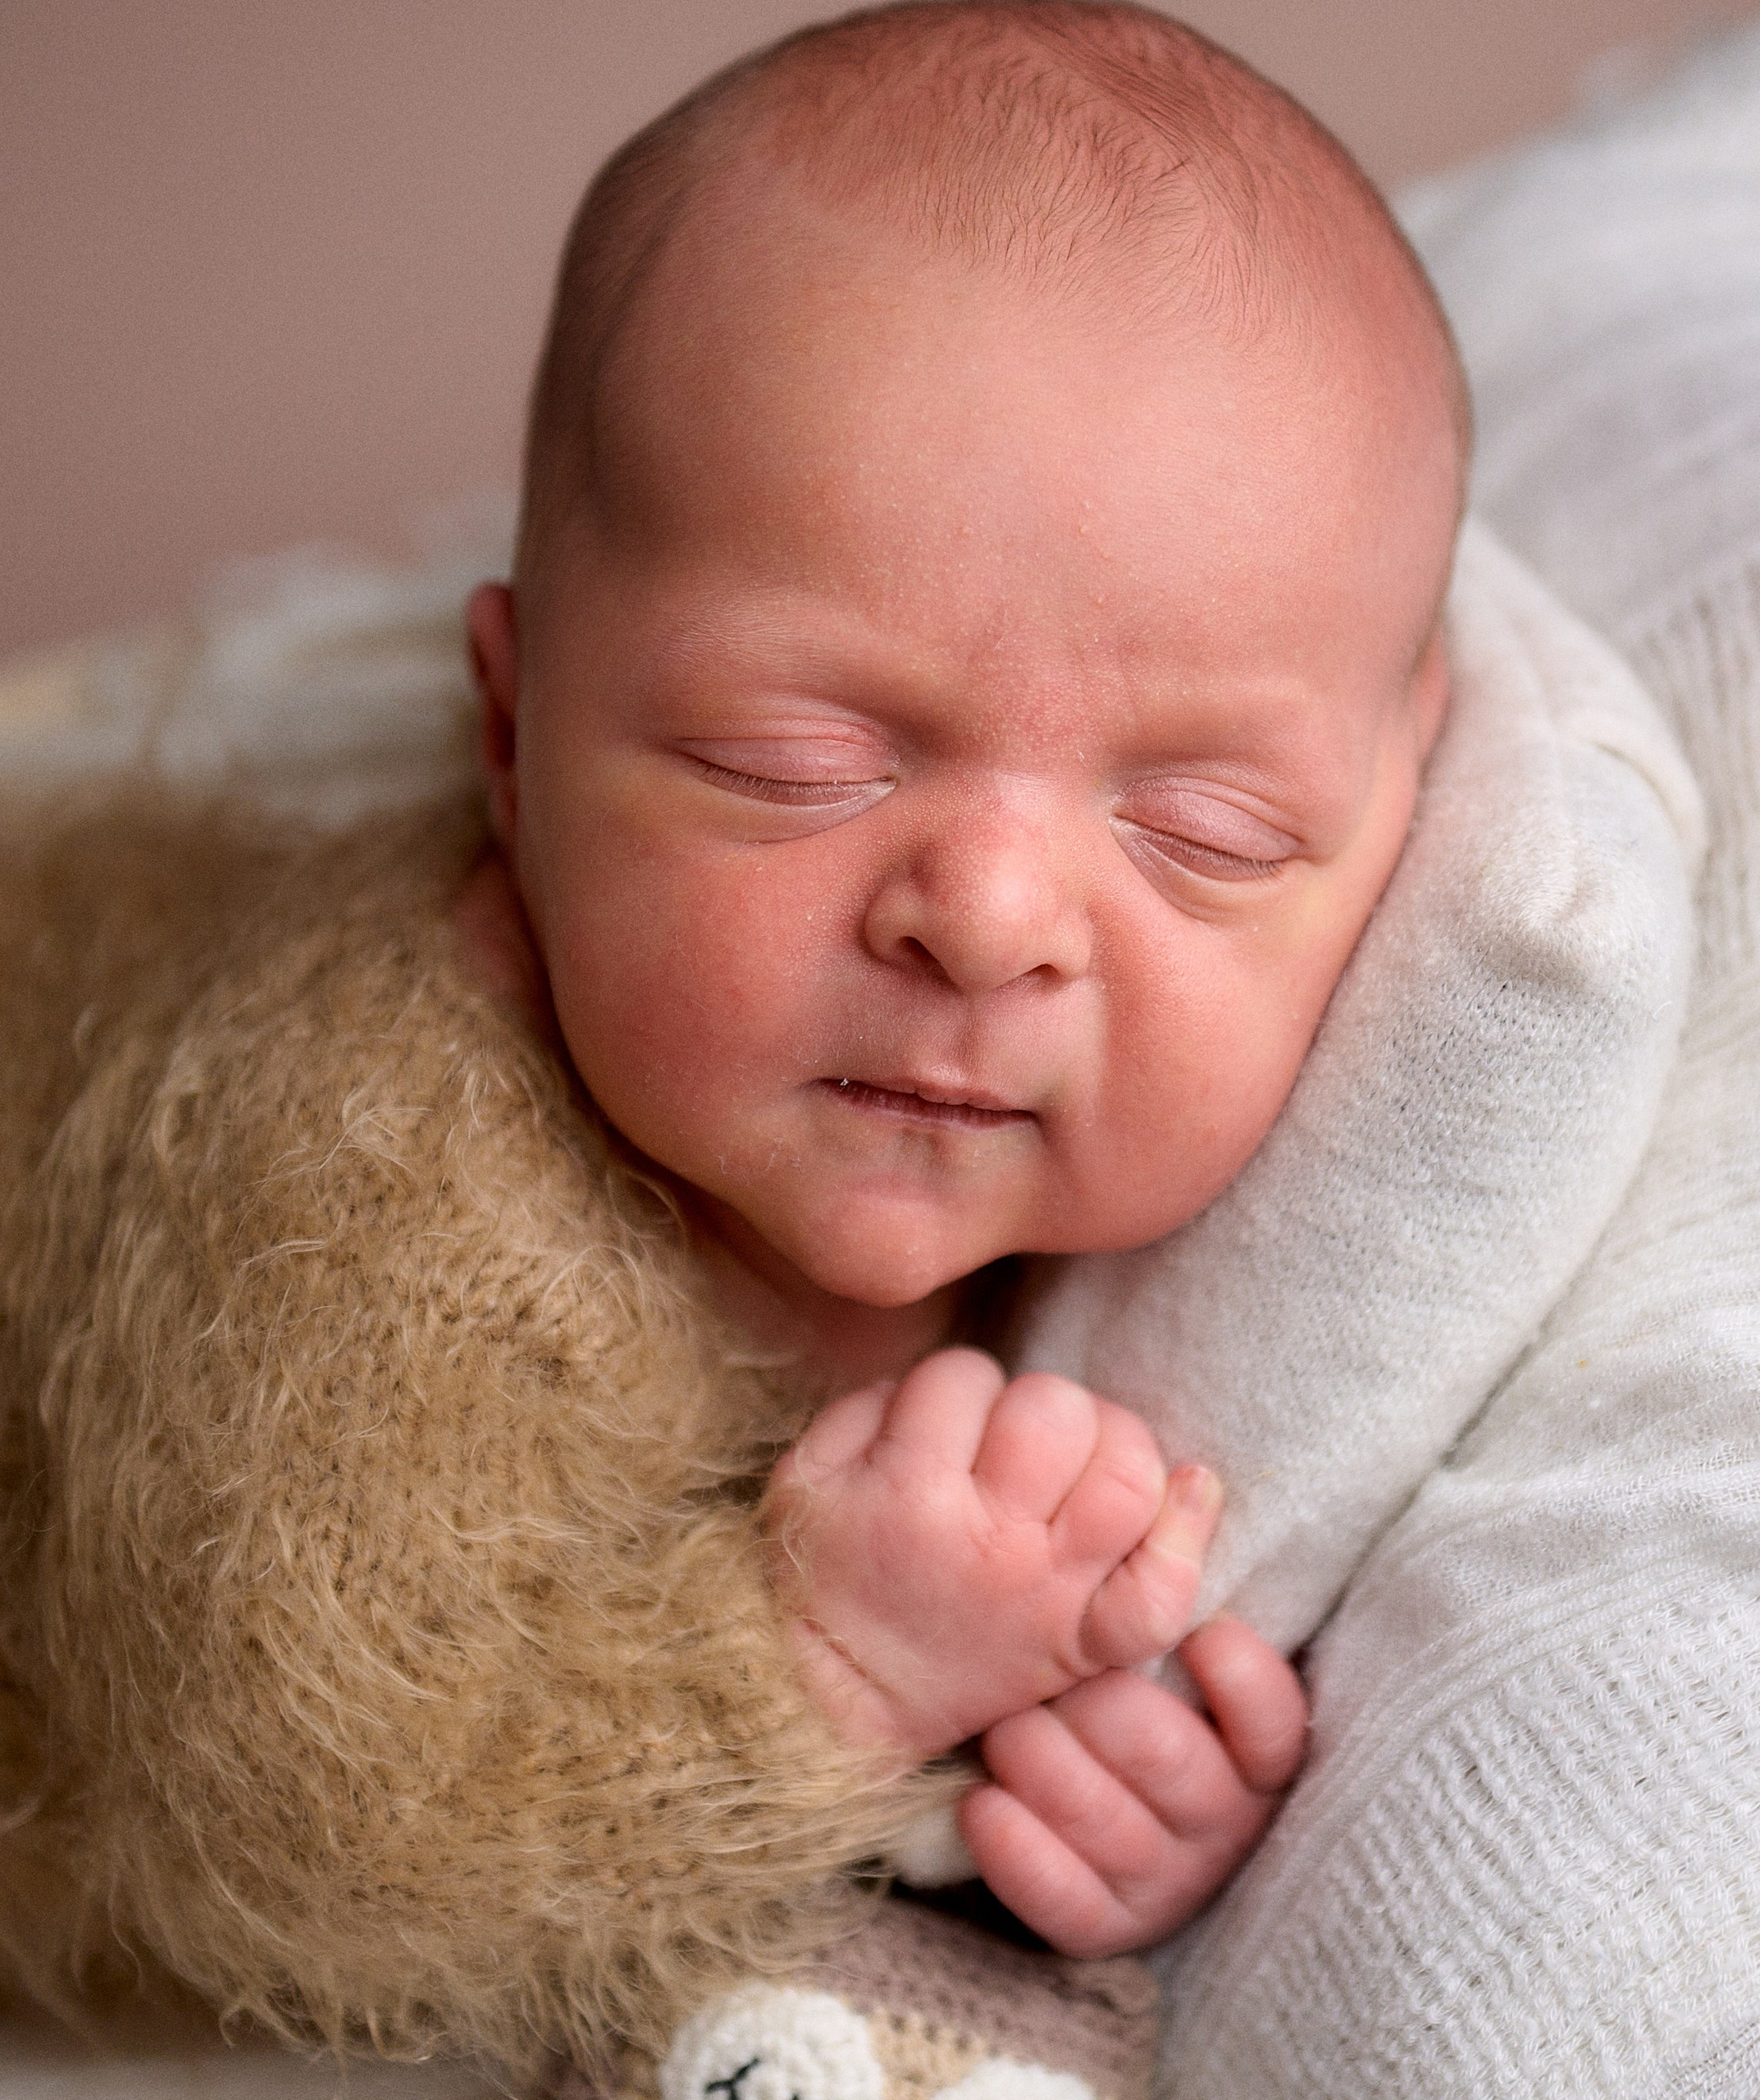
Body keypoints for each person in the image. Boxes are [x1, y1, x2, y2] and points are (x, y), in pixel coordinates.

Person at [0, 0, 1466, 2075]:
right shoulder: (365, 1188)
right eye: (795, 760)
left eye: (1202, 829)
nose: (987, 915)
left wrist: (1080, 1797)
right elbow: (300, 1827)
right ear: (510, 746)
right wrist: (831, 1669)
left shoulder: (1185, 1267)